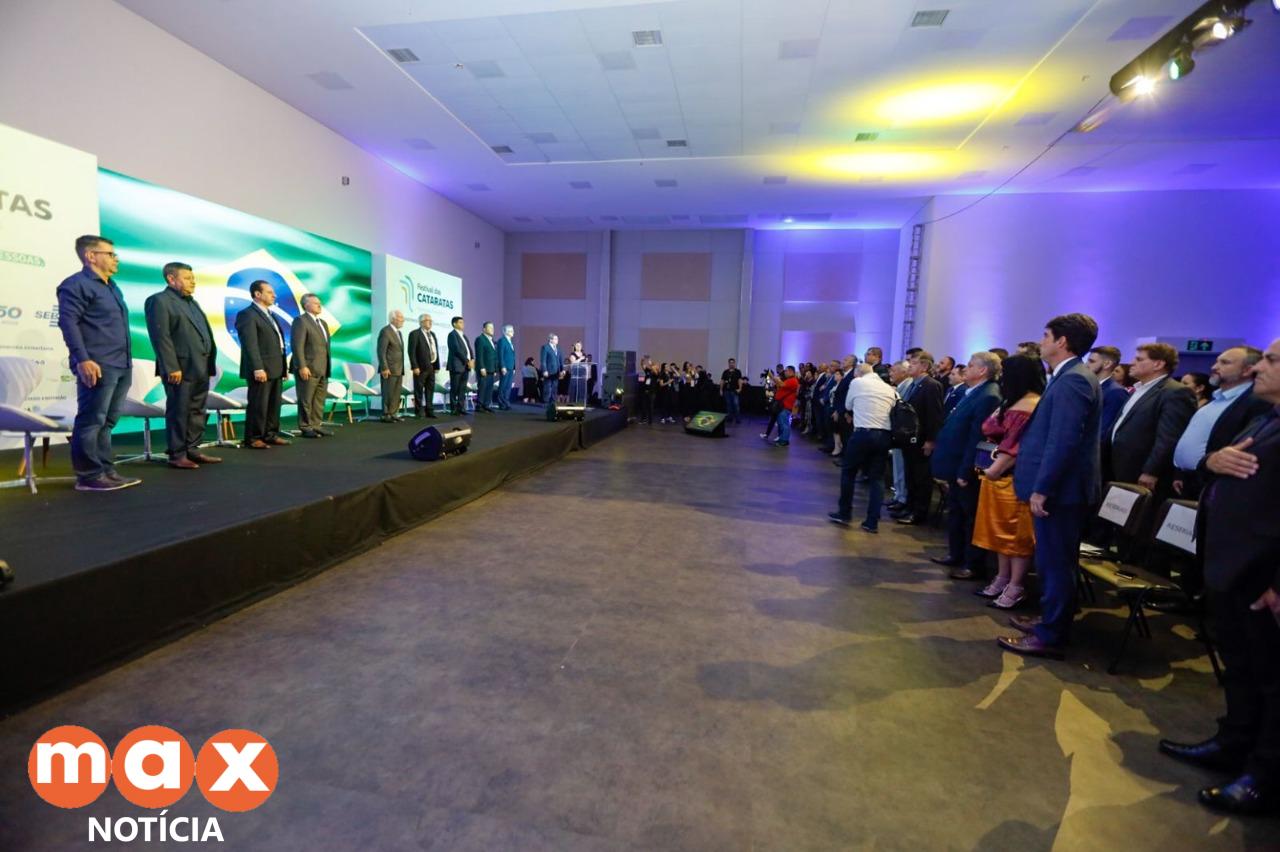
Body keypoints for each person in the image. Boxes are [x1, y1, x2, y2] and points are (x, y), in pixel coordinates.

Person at [1158, 337, 1280, 816]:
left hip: (1263, 577)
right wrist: (1212, 461)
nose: (1258, 368)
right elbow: (1219, 460)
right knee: (1241, 668)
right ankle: (1233, 744)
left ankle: (1264, 777)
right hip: (1232, 567)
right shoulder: (1265, 417)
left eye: (1271, 360)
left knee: (1272, 679)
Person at [998, 313, 1102, 659]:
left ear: (1062, 341)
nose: (1040, 341)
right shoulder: (1068, 376)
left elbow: (1063, 440)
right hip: (1060, 488)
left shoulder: (1074, 380)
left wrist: (1043, 488)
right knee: (1052, 561)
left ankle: (1051, 635)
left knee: (1056, 564)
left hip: (1061, 491)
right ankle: (1050, 621)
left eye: (1046, 335)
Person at [56, 235, 141, 491]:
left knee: (108, 421)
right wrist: (83, 359)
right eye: (110, 254)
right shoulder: (75, 285)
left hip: (121, 363)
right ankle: (88, 476)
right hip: (97, 363)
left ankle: (106, 470)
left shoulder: (112, 286)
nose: (116, 259)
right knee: (92, 420)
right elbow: (68, 323)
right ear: (91, 256)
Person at [972, 355, 1046, 609]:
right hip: (995, 474)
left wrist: (996, 468)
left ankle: (1016, 585)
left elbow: (1016, 444)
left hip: (1012, 475)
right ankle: (1002, 577)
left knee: (1016, 536)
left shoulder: (1030, 404)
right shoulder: (1012, 400)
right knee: (999, 533)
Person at [930, 352, 1002, 580]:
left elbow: (976, 438)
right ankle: (956, 554)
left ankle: (973, 563)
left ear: (982, 370)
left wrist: (965, 470)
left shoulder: (988, 395)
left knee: (970, 516)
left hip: (966, 466)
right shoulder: (973, 391)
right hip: (955, 463)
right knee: (956, 513)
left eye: (970, 366)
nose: (965, 369)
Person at [144, 261, 220, 467]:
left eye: (193, 278)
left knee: (197, 410)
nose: (193, 282)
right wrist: (171, 367)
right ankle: (177, 454)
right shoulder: (159, 301)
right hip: (180, 368)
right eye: (187, 278)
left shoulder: (192, 302)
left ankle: (192, 449)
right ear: (171, 279)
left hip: (201, 366)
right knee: (179, 411)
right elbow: (161, 337)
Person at [1172, 346, 1269, 499]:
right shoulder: (1216, 398)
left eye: (1225, 363)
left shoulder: (1255, 402)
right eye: (1217, 361)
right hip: (1188, 480)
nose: (1214, 367)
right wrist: (1180, 472)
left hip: (1213, 485)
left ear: (1247, 370)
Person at [1104, 342, 1197, 501]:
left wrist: (1151, 471)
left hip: (1142, 473)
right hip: (1118, 467)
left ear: (1158, 364)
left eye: (1139, 359)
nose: (1132, 363)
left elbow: (1169, 437)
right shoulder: (1139, 389)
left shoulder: (1175, 392)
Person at [828, 364, 898, 533]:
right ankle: (872, 522)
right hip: (884, 435)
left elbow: (848, 405)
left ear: (859, 373)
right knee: (877, 479)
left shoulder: (857, 383)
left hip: (863, 433)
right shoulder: (888, 388)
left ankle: (844, 513)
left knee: (848, 473)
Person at [235, 280, 290, 448]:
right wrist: (258, 368)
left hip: (276, 367)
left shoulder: (270, 314)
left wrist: (284, 368)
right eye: (269, 292)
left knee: (274, 404)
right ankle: (254, 438)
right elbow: (250, 344)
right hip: (261, 369)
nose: (274, 295)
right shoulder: (247, 314)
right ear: (257, 294)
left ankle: (270, 434)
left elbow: (278, 343)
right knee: (259, 405)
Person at [893, 351, 944, 526]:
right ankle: (909, 506)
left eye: (913, 363)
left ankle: (919, 512)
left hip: (922, 439)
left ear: (924, 366)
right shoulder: (914, 384)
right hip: (910, 438)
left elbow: (934, 415)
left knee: (921, 477)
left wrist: (930, 440)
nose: (909, 366)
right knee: (910, 475)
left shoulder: (931, 385)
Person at [288, 293, 333, 438]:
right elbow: (297, 345)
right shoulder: (301, 321)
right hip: (308, 368)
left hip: (323, 368)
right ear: (306, 305)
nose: (319, 305)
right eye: (315, 303)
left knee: (319, 400)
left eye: (319, 302)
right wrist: (302, 366)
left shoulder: (323, 323)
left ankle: (316, 425)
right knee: (306, 399)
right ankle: (306, 426)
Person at [1087, 345, 1129, 438]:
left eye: (1092, 361)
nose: (1086, 365)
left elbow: (1103, 431)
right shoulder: (1091, 386)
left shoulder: (1116, 392)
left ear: (1107, 364)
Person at [407, 313, 440, 418]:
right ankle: (418, 411)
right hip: (420, 367)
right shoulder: (415, 334)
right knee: (419, 390)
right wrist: (414, 366)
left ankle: (429, 410)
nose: (430, 322)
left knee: (430, 390)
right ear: (421, 322)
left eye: (431, 320)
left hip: (432, 367)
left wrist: (437, 366)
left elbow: (435, 350)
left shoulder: (433, 334)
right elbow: (411, 352)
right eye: (427, 320)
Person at [376, 310, 407, 422]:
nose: (403, 320)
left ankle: (393, 413)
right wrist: (384, 367)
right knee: (388, 393)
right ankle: (386, 415)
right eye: (400, 318)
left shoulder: (399, 333)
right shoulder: (385, 331)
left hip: (399, 368)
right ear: (393, 319)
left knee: (396, 393)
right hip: (389, 369)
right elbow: (381, 351)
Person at [446, 316, 473, 416]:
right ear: (454, 324)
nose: (463, 324)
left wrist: (472, 359)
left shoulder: (463, 335)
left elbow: (469, 349)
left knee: (462, 389)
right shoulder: (452, 335)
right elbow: (457, 350)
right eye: (460, 322)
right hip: (457, 365)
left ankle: (461, 408)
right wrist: (467, 361)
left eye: (463, 322)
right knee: (455, 388)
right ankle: (453, 409)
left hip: (465, 366)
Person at [473, 321, 498, 414]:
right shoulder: (480, 339)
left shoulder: (491, 340)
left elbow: (494, 356)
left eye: (493, 328)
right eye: (490, 327)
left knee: (489, 388)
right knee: (482, 387)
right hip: (484, 368)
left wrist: (495, 369)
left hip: (491, 369)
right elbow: (479, 355)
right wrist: (481, 367)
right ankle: (479, 406)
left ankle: (486, 405)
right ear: (484, 329)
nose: (492, 329)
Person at [773, 367, 799, 446]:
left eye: (786, 371)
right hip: (783, 405)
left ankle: (784, 440)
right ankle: (782, 438)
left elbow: (782, 384)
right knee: (781, 422)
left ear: (791, 371)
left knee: (784, 423)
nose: (784, 372)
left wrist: (776, 379)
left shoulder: (793, 380)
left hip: (786, 405)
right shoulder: (789, 380)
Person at [539, 333, 564, 414]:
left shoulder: (558, 349)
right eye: (556, 339)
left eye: (557, 339)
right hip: (548, 371)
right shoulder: (545, 347)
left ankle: (553, 404)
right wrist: (544, 370)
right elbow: (543, 360)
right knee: (548, 388)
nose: (557, 340)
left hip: (556, 372)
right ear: (551, 340)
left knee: (554, 388)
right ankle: (546, 403)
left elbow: (561, 361)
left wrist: (562, 370)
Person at [497, 325, 516, 410]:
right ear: (506, 332)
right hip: (505, 367)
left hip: (511, 367)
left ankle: (506, 402)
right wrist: (502, 366)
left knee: (508, 386)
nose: (513, 332)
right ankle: (501, 403)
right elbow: (500, 355)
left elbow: (512, 356)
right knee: (503, 386)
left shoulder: (510, 341)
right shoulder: (502, 341)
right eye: (511, 330)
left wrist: (514, 367)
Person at [721, 358, 743, 424]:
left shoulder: (738, 371)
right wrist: (721, 390)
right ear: (728, 363)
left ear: (734, 363)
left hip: (734, 391)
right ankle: (730, 418)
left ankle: (738, 419)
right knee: (728, 405)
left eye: (733, 362)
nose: (731, 364)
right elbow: (722, 381)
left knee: (736, 404)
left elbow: (740, 380)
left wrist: (740, 388)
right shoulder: (725, 372)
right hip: (726, 391)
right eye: (730, 363)